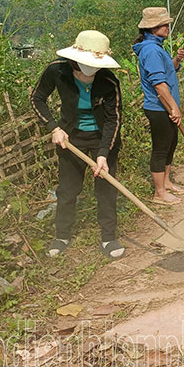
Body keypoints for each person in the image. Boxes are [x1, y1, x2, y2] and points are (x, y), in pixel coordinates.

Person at [31, 30, 124, 259]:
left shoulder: (109, 81)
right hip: (70, 137)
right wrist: (54, 127)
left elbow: (114, 119)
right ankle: (62, 235)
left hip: (102, 138)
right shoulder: (57, 70)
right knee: (67, 190)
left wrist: (103, 154)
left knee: (106, 188)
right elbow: (37, 98)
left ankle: (108, 238)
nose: (89, 76)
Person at [133, 7, 184, 206]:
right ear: (152, 27)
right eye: (164, 25)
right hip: (159, 107)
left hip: (167, 105)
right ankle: (159, 192)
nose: (167, 28)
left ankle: (166, 182)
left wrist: (176, 61)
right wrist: (174, 107)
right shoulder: (151, 50)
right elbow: (159, 84)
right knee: (161, 148)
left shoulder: (157, 47)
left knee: (171, 144)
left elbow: (166, 69)